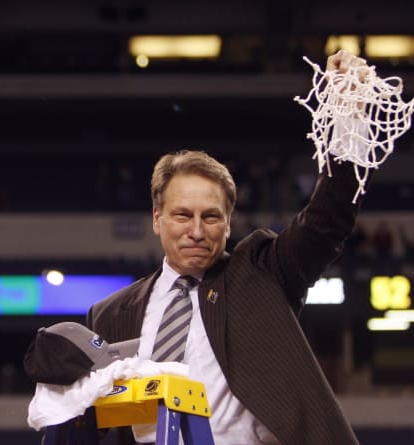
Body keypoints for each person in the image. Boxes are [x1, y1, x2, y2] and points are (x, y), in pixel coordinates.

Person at [86, 50, 372, 445]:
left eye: (211, 217)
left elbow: (328, 220)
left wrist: (348, 116)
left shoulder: (262, 274)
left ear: (229, 223)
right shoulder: (109, 315)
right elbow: (105, 425)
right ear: (157, 219)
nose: (197, 231)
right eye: (183, 215)